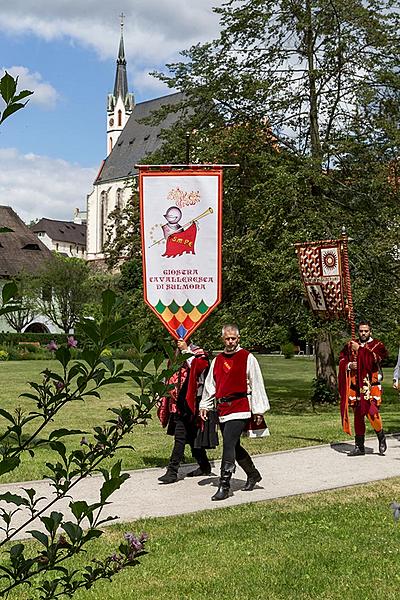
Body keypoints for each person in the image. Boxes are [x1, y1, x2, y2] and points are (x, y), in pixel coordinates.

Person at [199, 324, 270, 501]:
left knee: (228, 444)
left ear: (238, 338)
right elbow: (210, 385)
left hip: (240, 408)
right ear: (223, 339)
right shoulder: (217, 360)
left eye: (233, 338)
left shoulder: (247, 357)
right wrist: (205, 405)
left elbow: (256, 383)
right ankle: (253, 474)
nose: (230, 341)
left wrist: (258, 409)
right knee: (234, 446)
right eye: (227, 338)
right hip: (222, 409)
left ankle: (224, 485)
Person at [158, 339, 211, 484]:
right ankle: (204, 465)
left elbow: (198, 368)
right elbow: (169, 375)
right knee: (191, 437)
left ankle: (172, 471)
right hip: (177, 402)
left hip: (192, 403)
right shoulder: (174, 355)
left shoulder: (199, 354)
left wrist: (186, 351)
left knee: (180, 437)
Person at [338, 320, 388, 456]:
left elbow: (373, 359)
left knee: (372, 412)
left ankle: (381, 436)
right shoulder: (350, 345)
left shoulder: (377, 345)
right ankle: (359, 446)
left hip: (371, 384)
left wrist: (359, 350)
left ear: (370, 331)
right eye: (361, 331)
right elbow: (342, 359)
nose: (363, 333)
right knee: (358, 415)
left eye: (366, 331)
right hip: (356, 384)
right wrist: (349, 366)